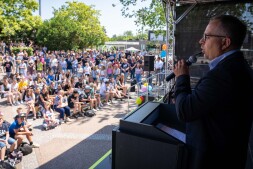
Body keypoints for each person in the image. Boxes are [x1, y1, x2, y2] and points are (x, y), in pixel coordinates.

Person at [173, 15, 253, 169]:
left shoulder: (223, 75)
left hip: (213, 160)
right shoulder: (238, 67)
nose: (201, 41)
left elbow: (185, 111)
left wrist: (182, 77)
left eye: (207, 36)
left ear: (225, 42)